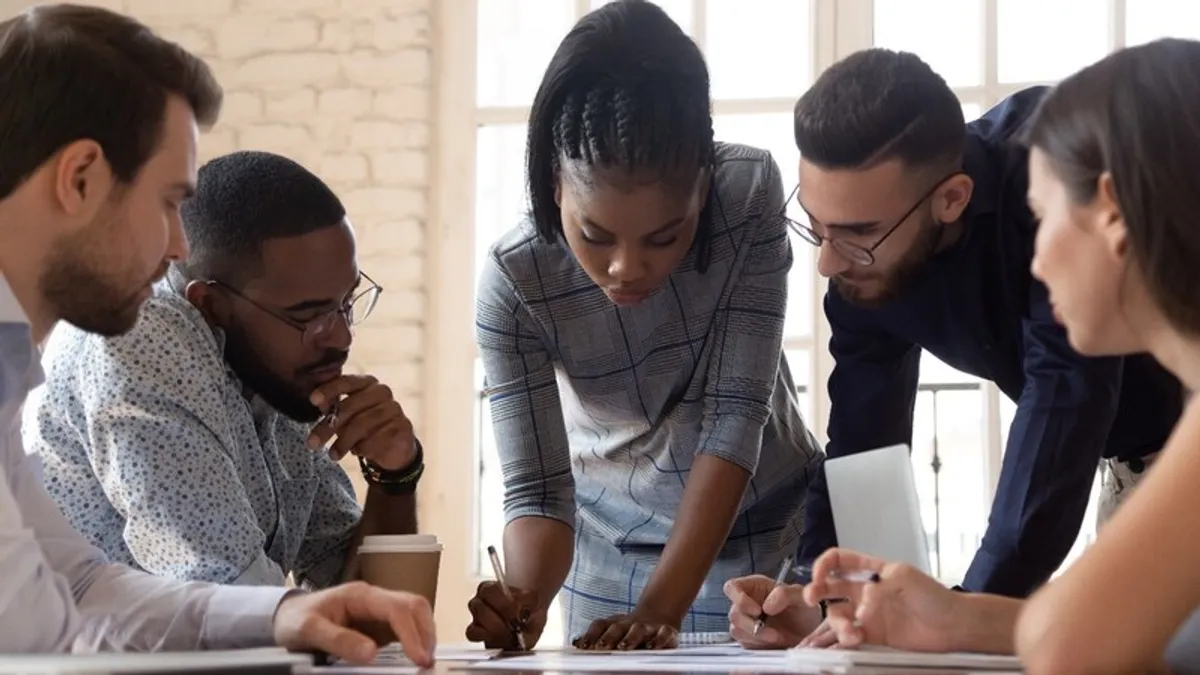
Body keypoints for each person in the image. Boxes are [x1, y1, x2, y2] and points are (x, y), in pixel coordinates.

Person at [725, 37, 1200, 675]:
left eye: (1042, 216)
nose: (828, 262)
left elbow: (1065, 403)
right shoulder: (861, 264)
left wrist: (967, 608)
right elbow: (865, 440)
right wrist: (828, 592)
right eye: (816, 225)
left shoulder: (1046, 158)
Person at [0, 4, 433, 663]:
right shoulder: (142, 338)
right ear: (81, 178)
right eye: (170, 201)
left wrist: (288, 610)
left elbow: (77, 586)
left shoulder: (10, 366)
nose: (180, 246)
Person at [465, 0, 822, 650]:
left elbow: (734, 416)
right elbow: (538, 488)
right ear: (553, 186)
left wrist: (662, 606)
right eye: (594, 235)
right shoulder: (514, 282)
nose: (627, 268)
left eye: (666, 236)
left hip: (769, 524)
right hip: (610, 548)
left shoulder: (747, 195)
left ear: (705, 185)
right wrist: (525, 599)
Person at [24, 149, 423, 589]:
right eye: (309, 315)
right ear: (210, 305)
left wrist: (395, 473)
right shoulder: (138, 339)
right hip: (64, 653)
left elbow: (375, 617)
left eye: (346, 302)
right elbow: (237, 610)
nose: (342, 337)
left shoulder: (279, 374)